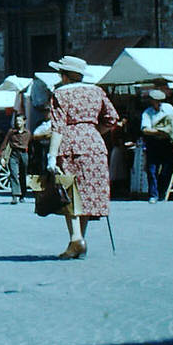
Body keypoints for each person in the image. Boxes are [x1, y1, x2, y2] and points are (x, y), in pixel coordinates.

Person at [46, 56, 120, 259]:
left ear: (64, 76)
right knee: (86, 194)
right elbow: (112, 118)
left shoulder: (60, 94)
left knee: (70, 193)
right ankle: (80, 240)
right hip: (95, 145)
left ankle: (76, 239)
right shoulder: (97, 91)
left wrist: (51, 155)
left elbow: (58, 127)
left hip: (70, 146)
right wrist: (92, 131)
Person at [140, 88, 173, 203]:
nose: (159, 102)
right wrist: (160, 131)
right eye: (157, 100)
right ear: (152, 101)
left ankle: (162, 192)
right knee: (152, 170)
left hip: (167, 143)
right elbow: (145, 129)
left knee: (167, 168)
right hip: (154, 142)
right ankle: (153, 194)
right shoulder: (147, 113)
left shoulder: (168, 108)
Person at [0, 114, 32, 204]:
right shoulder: (11, 132)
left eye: (20, 121)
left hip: (24, 154)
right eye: (17, 121)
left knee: (22, 175)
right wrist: (2, 157)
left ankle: (22, 195)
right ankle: (15, 196)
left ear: (24, 122)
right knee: (13, 174)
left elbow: (32, 146)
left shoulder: (28, 133)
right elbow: (4, 144)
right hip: (14, 154)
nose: (18, 123)